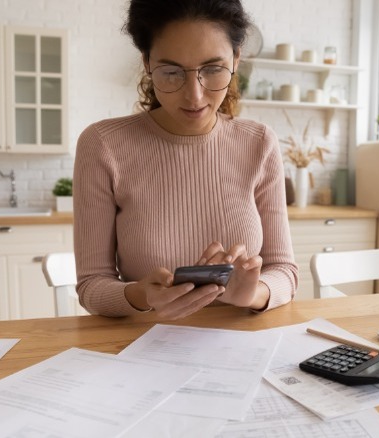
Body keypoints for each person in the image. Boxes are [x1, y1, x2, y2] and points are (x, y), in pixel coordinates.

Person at [73, 0, 298, 320]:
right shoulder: (103, 145)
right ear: (147, 62)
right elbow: (91, 286)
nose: (194, 95)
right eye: (171, 71)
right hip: (143, 347)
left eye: (212, 69)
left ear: (236, 59)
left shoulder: (259, 143)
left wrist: (253, 293)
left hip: (242, 344)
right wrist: (142, 295)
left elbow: (284, 272)